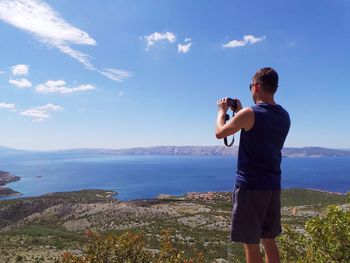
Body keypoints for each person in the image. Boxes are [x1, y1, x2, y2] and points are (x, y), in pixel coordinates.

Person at [215, 67, 291, 263]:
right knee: (269, 239)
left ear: (256, 86)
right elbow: (258, 129)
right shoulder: (284, 116)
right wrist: (240, 111)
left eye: (251, 86)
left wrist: (222, 111)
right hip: (272, 186)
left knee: (250, 243)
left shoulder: (250, 114)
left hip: (250, 187)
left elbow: (220, 132)